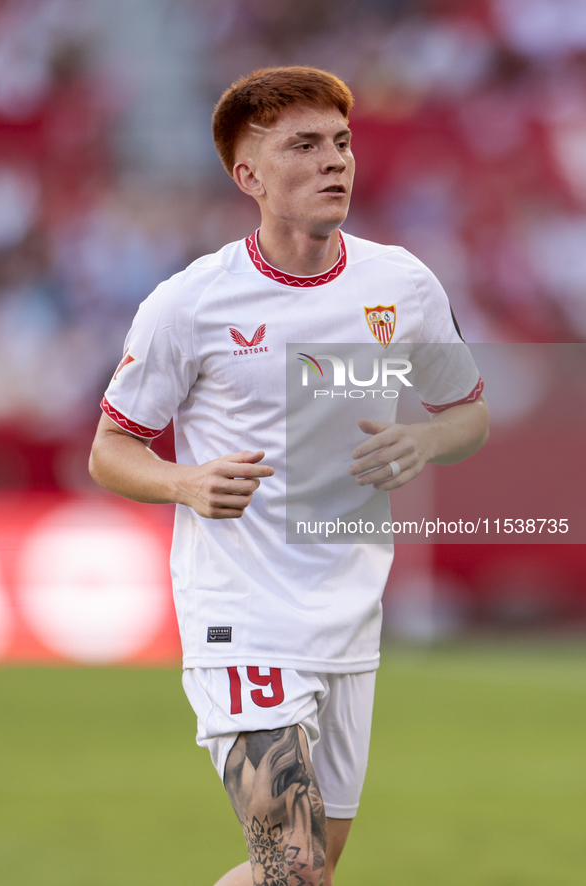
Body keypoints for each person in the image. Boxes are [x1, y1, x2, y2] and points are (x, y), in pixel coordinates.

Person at [89, 66, 489, 886]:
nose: (333, 161)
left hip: (348, 615)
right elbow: (110, 448)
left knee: (303, 872)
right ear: (249, 176)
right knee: (295, 866)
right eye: (303, 146)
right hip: (241, 617)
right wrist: (185, 481)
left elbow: (469, 413)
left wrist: (425, 441)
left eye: (340, 142)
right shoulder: (188, 304)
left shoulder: (401, 284)